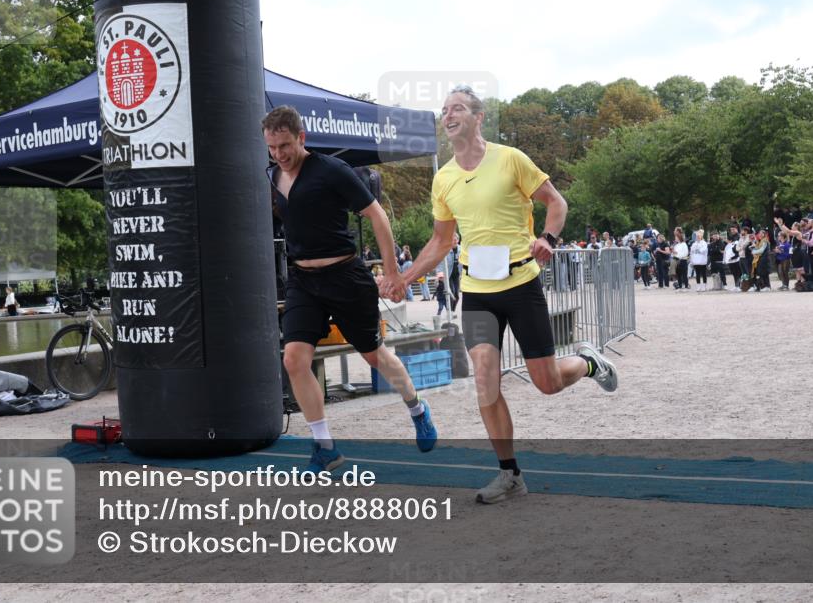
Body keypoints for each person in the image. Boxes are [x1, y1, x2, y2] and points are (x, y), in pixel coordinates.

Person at [384, 85, 618, 505]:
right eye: (444, 109)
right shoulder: (444, 178)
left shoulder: (510, 158)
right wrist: (405, 276)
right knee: (485, 380)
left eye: (457, 108)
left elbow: (556, 202)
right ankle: (509, 474)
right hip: (476, 292)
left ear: (478, 117)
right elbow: (441, 242)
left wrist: (547, 237)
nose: (448, 114)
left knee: (545, 383)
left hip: (520, 284)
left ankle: (587, 362)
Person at [262, 105, 437, 473]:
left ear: (301, 138)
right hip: (302, 280)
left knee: (375, 356)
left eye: (285, 145)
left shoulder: (331, 170)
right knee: (293, 359)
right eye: (272, 148)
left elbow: (377, 215)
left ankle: (417, 408)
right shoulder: (272, 176)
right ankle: (324, 446)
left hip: (345, 276)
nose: (279, 154)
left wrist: (391, 273)